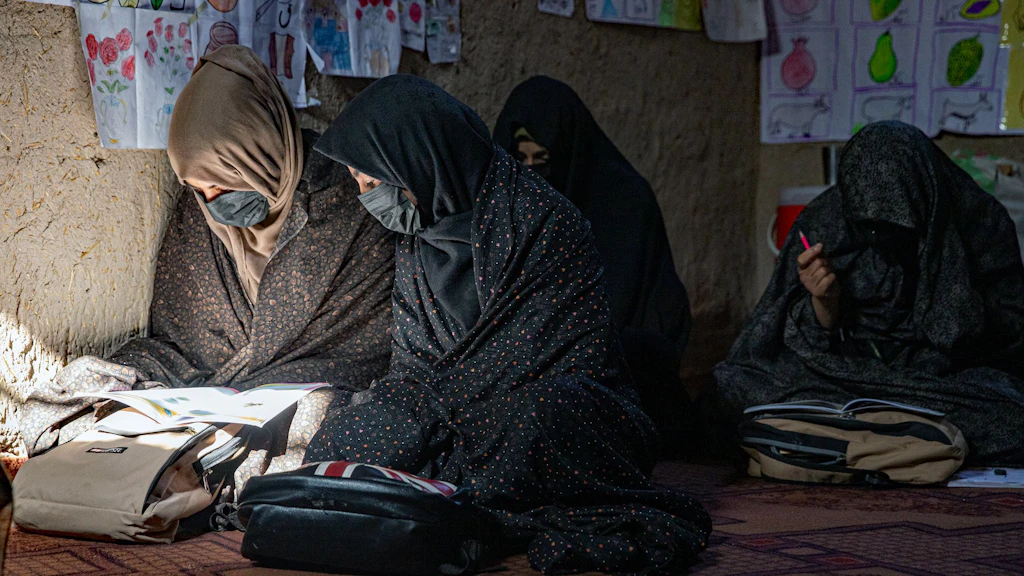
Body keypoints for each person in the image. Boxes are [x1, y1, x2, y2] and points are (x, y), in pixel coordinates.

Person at [306, 75, 710, 574]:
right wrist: (405, 406)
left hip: (551, 411)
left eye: (374, 182)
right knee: (346, 429)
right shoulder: (420, 234)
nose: (368, 198)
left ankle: (448, 499)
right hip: (457, 413)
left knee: (540, 418)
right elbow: (413, 363)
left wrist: (437, 416)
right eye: (359, 183)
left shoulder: (542, 222)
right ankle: (458, 498)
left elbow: (558, 360)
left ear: (422, 158)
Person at [18, 46, 396, 482]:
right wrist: (191, 394)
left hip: (312, 378)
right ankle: (199, 460)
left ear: (258, 154)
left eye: (221, 183)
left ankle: (181, 464)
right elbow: (177, 338)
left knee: (324, 422)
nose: (213, 205)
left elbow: (371, 343)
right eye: (199, 189)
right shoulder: (199, 208)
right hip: (202, 377)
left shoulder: (347, 194)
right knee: (75, 389)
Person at [711, 121, 1024, 465]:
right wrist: (824, 304)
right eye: (868, 226)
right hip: (842, 377)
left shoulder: (980, 223)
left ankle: (840, 437)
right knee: (727, 392)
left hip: (941, 381)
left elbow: (1010, 337)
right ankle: (903, 439)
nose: (880, 239)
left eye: (894, 227)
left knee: (1012, 416)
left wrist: (956, 304)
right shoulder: (823, 222)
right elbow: (774, 339)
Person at [493, 77, 694, 455]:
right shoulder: (503, 207)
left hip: (608, 361)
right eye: (521, 161)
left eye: (545, 160)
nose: (533, 174)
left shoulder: (625, 203)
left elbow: (644, 315)